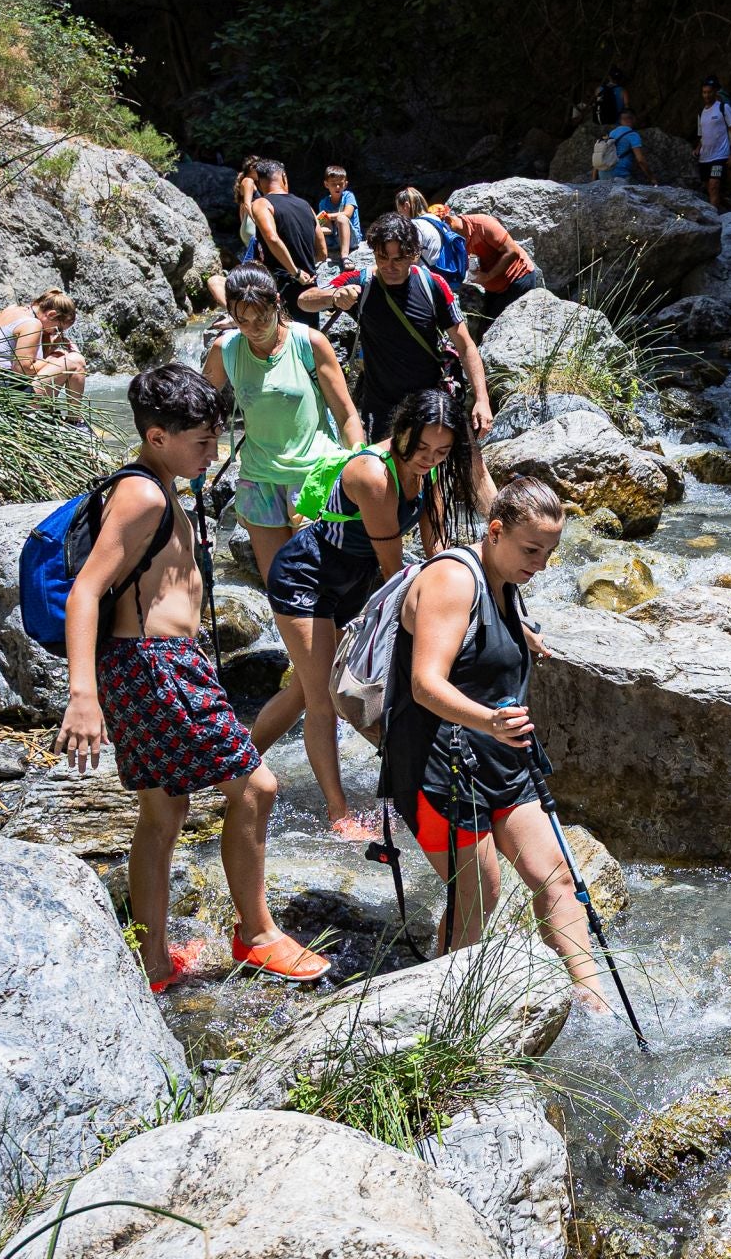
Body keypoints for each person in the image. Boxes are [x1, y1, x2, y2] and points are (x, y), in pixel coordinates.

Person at [56, 363, 330, 992]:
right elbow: (85, 593)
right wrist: (81, 697)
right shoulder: (144, 494)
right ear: (157, 438)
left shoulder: (157, 482)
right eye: (202, 442)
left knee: (163, 808)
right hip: (155, 668)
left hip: (145, 666)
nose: (214, 451)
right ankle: (257, 934)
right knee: (257, 787)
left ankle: (151, 964)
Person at [383, 475, 611, 1011]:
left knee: (555, 876)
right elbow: (425, 684)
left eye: (551, 552)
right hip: (438, 769)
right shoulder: (452, 580)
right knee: (479, 895)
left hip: (500, 760)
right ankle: (443, 1013)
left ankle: (593, 1002)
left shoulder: (505, 578)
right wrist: (490, 720)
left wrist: (517, 631)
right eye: (532, 550)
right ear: (495, 531)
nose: (542, 564)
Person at [253, 390, 488, 838]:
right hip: (308, 578)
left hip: (351, 581)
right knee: (323, 698)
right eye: (422, 450)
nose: (430, 460)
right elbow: (391, 570)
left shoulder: (430, 469)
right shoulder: (375, 476)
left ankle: (235, 765)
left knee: (304, 690)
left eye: (441, 452)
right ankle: (338, 813)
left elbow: (437, 550)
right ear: (401, 433)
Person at [200, 263, 364, 579]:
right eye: (242, 321)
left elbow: (346, 415)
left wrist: (358, 464)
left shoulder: (309, 343)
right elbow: (198, 413)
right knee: (279, 584)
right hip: (259, 480)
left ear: (277, 302)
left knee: (318, 583)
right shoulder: (226, 350)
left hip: (314, 476)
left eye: (261, 317)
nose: (253, 327)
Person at [301, 212, 493, 440]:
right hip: (381, 409)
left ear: (413, 255)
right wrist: (333, 296)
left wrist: (482, 399)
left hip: (429, 404)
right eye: (382, 257)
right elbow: (305, 300)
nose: (389, 266)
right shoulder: (362, 284)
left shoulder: (432, 285)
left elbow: (466, 346)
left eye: (398, 259)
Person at [429, 203, 543, 322]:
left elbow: (512, 251)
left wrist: (488, 276)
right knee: (488, 325)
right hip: (493, 288)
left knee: (514, 325)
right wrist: (474, 273)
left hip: (518, 279)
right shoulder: (453, 240)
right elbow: (473, 256)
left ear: (448, 220)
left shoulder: (483, 225)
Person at [0, 288, 86, 402]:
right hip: (9, 393)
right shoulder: (32, 324)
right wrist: (54, 357)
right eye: (57, 329)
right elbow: (22, 368)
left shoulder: (14, 310)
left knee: (68, 361)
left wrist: (52, 347)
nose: (55, 333)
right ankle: (74, 420)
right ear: (51, 314)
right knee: (76, 361)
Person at [248, 159, 320, 323]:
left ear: (259, 184)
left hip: (281, 286)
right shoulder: (305, 205)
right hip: (310, 286)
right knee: (308, 340)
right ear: (284, 178)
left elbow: (272, 237)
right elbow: (322, 249)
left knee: (282, 342)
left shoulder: (261, 203)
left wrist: (295, 272)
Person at [205, 155, 265, 309]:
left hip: (248, 224)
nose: (259, 169)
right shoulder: (249, 181)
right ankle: (250, 289)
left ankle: (251, 290)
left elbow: (242, 209)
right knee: (258, 255)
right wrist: (258, 220)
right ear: (249, 169)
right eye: (255, 167)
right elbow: (246, 204)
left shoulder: (249, 182)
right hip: (252, 223)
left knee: (256, 256)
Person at [695, 76, 731, 210]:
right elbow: (702, 135)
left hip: (720, 156)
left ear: (715, 92)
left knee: (714, 186)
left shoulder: (723, 108)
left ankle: (713, 221)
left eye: (709, 92)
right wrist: (697, 148)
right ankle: (729, 207)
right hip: (704, 157)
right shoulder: (701, 112)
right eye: (704, 92)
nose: (706, 95)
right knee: (712, 190)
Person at [316, 165, 361, 268]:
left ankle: (345, 257)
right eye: (333, 184)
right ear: (326, 184)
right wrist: (314, 227)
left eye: (340, 184)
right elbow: (328, 229)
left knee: (341, 218)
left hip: (352, 239)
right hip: (334, 239)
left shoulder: (348, 196)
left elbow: (347, 214)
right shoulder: (323, 203)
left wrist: (328, 216)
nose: (337, 187)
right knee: (313, 228)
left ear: (345, 184)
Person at [597, 107, 655, 185]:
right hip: (620, 175)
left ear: (620, 120)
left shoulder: (612, 133)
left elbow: (601, 153)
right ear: (633, 119)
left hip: (603, 173)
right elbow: (640, 159)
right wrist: (652, 178)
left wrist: (594, 181)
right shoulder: (633, 135)